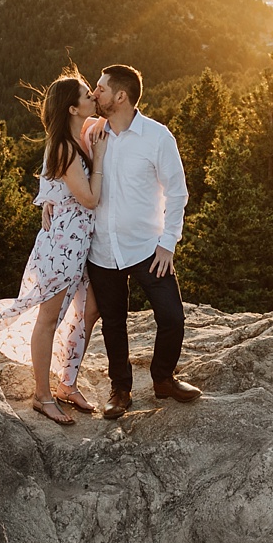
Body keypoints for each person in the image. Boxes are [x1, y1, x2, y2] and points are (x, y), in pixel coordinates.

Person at [0, 69, 106, 425]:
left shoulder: (80, 132)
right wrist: (97, 161)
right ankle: (42, 395)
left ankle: (67, 382)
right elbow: (89, 198)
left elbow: (112, 117)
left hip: (81, 240)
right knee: (50, 316)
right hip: (64, 241)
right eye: (87, 94)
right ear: (72, 108)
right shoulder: (66, 148)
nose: (93, 97)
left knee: (90, 309)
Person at [83, 63, 200, 419]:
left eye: (101, 88)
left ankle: (163, 379)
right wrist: (49, 200)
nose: (94, 93)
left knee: (172, 318)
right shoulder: (91, 133)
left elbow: (177, 194)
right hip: (102, 248)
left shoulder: (158, 137)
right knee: (113, 324)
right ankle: (121, 390)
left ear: (121, 97)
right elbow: (60, 157)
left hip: (149, 249)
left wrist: (168, 243)